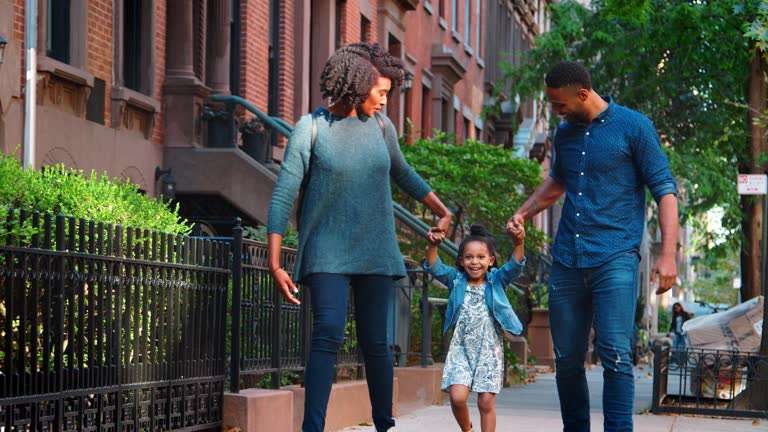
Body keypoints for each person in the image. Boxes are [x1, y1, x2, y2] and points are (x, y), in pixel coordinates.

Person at [266, 42, 452, 432]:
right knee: (328, 334)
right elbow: (284, 193)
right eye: (381, 92)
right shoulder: (311, 128)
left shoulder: (382, 128)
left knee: (376, 343)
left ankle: (385, 425)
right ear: (355, 85)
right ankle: (312, 428)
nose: (385, 101)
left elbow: (403, 173)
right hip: (327, 252)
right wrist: (274, 259)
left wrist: (441, 209)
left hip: (375, 252)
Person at [508, 61, 679, 432]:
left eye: (559, 104)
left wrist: (668, 255)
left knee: (616, 354)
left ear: (583, 94)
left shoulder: (634, 127)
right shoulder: (565, 134)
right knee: (567, 359)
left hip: (615, 257)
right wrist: (523, 212)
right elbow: (556, 184)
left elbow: (664, 189)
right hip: (568, 258)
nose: (556, 111)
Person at [424, 223, 526, 432]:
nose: (475, 262)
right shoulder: (456, 280)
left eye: (481, 257)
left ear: (491, 260)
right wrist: (432, 245)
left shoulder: (496, 280)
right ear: (461, 260)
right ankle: (467, 430)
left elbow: (515, 265)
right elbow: (435, 267)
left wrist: (519, 242)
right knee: (457, 397)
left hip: (489, 350)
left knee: (486, 402)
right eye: (469, 257)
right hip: (461, 349)